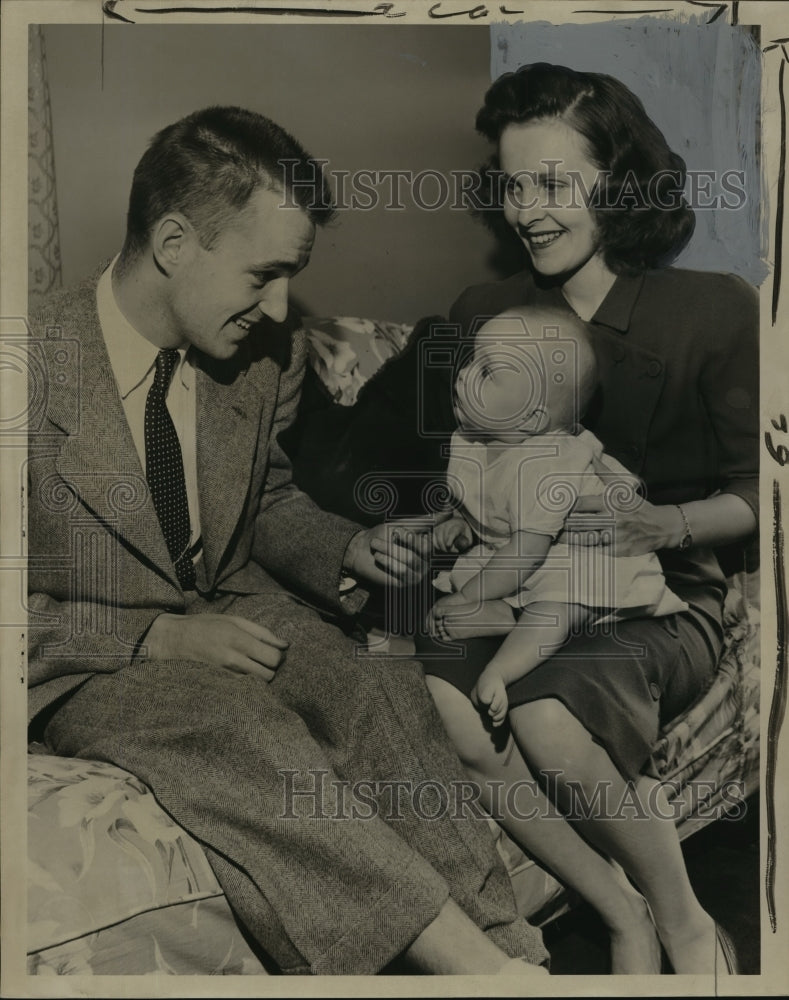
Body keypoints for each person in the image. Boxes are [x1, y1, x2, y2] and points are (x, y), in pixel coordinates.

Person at [25, 106, 550, 977]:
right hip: (94, 653)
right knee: (235, 729)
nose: (277, 308)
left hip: (231, 606)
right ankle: (478, 973)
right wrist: (152, 637)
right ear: (172, 241)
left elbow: (262, 499)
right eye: (262, 275)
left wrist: (347, 550)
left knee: (374, 686)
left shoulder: (264, 358)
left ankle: (509, 947)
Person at [415, 63, 757, 976]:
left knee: (547, 706)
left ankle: (684, 921)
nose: (527, 209)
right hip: (510, 577)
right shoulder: (483, 313)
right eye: (513, 184)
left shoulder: (713, 310)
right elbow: (465, 480)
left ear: (619, 183)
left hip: (649, 598)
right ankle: (619, 911)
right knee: (446, 702)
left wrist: (667, 528)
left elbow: (759, 489)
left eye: (556, 184)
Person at [427, 305, 687, 726]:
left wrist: (471, 596)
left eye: (487, 372)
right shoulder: (473, 439)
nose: (463, 374)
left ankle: (504, 667)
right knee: (474, 573)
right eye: (471, 360)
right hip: (521, 550)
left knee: (560, 604)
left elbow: (527, 551)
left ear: (531, 418)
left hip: (591, 555)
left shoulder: (544, 462)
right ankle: (507, 613)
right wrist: (460, 521)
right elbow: (482, 502)